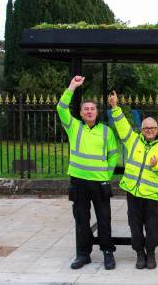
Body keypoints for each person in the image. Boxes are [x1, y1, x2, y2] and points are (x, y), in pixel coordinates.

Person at [56, 76, 118, 270]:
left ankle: (108, 253)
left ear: (97, 112)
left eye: (92, 108)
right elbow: (60, 108)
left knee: (104, 219)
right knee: (82, 219)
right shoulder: (74, 127)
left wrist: (106, 176)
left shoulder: (106, 131)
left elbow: (113, 155)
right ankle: (83, 254)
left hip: (99, 182)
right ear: (81, 114)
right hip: (79, 181)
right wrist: (72, 87)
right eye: (86, 109)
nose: (89, 111)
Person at [109, 91, 158, 269]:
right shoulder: (133, 141)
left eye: (152, 128)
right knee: (135, 226)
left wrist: (157, 165)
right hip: (132, 192)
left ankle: (151, 254)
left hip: (151, 195)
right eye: (146, 128)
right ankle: (139, 253)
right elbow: (122, 127)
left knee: (152, 227)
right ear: (142, 129)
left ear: (157, 129)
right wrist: (115, 108)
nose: (149, 131)